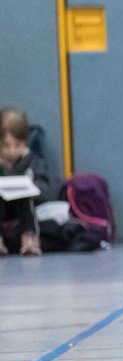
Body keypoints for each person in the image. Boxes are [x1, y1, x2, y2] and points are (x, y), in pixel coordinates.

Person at [0, 107, 52, 256]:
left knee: (25, 197)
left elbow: (46, 190)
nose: (11, 151)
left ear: (25, 143)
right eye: (6, 146)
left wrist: (29, 187)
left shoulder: (32, 162)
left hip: (22, 211)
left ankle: (29, 238)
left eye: (17, 145)